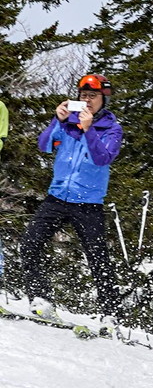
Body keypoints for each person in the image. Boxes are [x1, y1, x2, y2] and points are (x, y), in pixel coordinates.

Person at [22, 74, 124, 324]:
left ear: (103, 99)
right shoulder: (68, 123)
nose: (87, 101)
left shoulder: (111, 128)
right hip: (56, 198)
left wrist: (89, 130)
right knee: (29, 244)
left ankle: (111, 315)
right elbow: (44, 145)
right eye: (83, 96)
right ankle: (41, 299)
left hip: (88, 204)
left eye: (93, 96)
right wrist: (57, 120)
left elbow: (103, 158)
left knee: (98, 259)